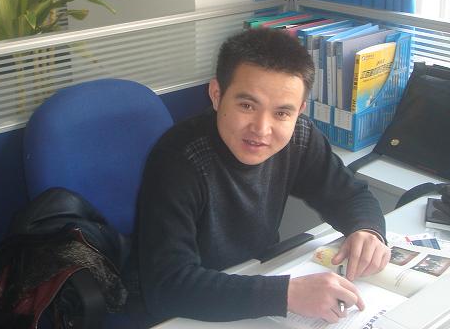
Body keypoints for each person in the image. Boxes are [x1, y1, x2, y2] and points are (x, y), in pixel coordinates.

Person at [136, 27, 390, 324]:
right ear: (217, 95)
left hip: (255, 279)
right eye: (247, 106)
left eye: (282, 113)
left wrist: (368, 231)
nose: (261, 129)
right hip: (189, 309)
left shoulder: (299, 137)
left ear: (299, 111)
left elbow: (350, 195)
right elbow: (167, 286)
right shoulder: (179, 158)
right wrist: (286, 295)